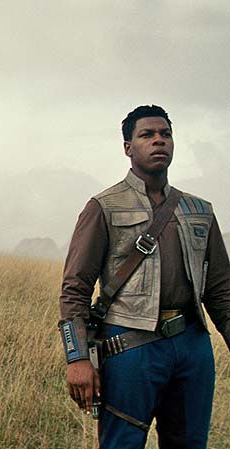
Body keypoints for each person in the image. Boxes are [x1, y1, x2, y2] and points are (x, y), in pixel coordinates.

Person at [59, 105, 230, 449]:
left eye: (165, 134)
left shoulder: (200, 211)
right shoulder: (104, 206)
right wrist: (77, 358)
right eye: (147, 135)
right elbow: (75, 289)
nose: (158, 141)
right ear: (128, 147)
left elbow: (221, 290)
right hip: (129, 346)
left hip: (192, 346)